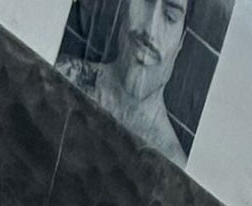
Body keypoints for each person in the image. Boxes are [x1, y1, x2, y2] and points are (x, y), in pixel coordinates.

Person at [61, 0, 192, 165]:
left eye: (170, 17)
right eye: (145, 2)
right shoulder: (66, 75)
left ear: (181, 41)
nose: (151, 29)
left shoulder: (174, 166)